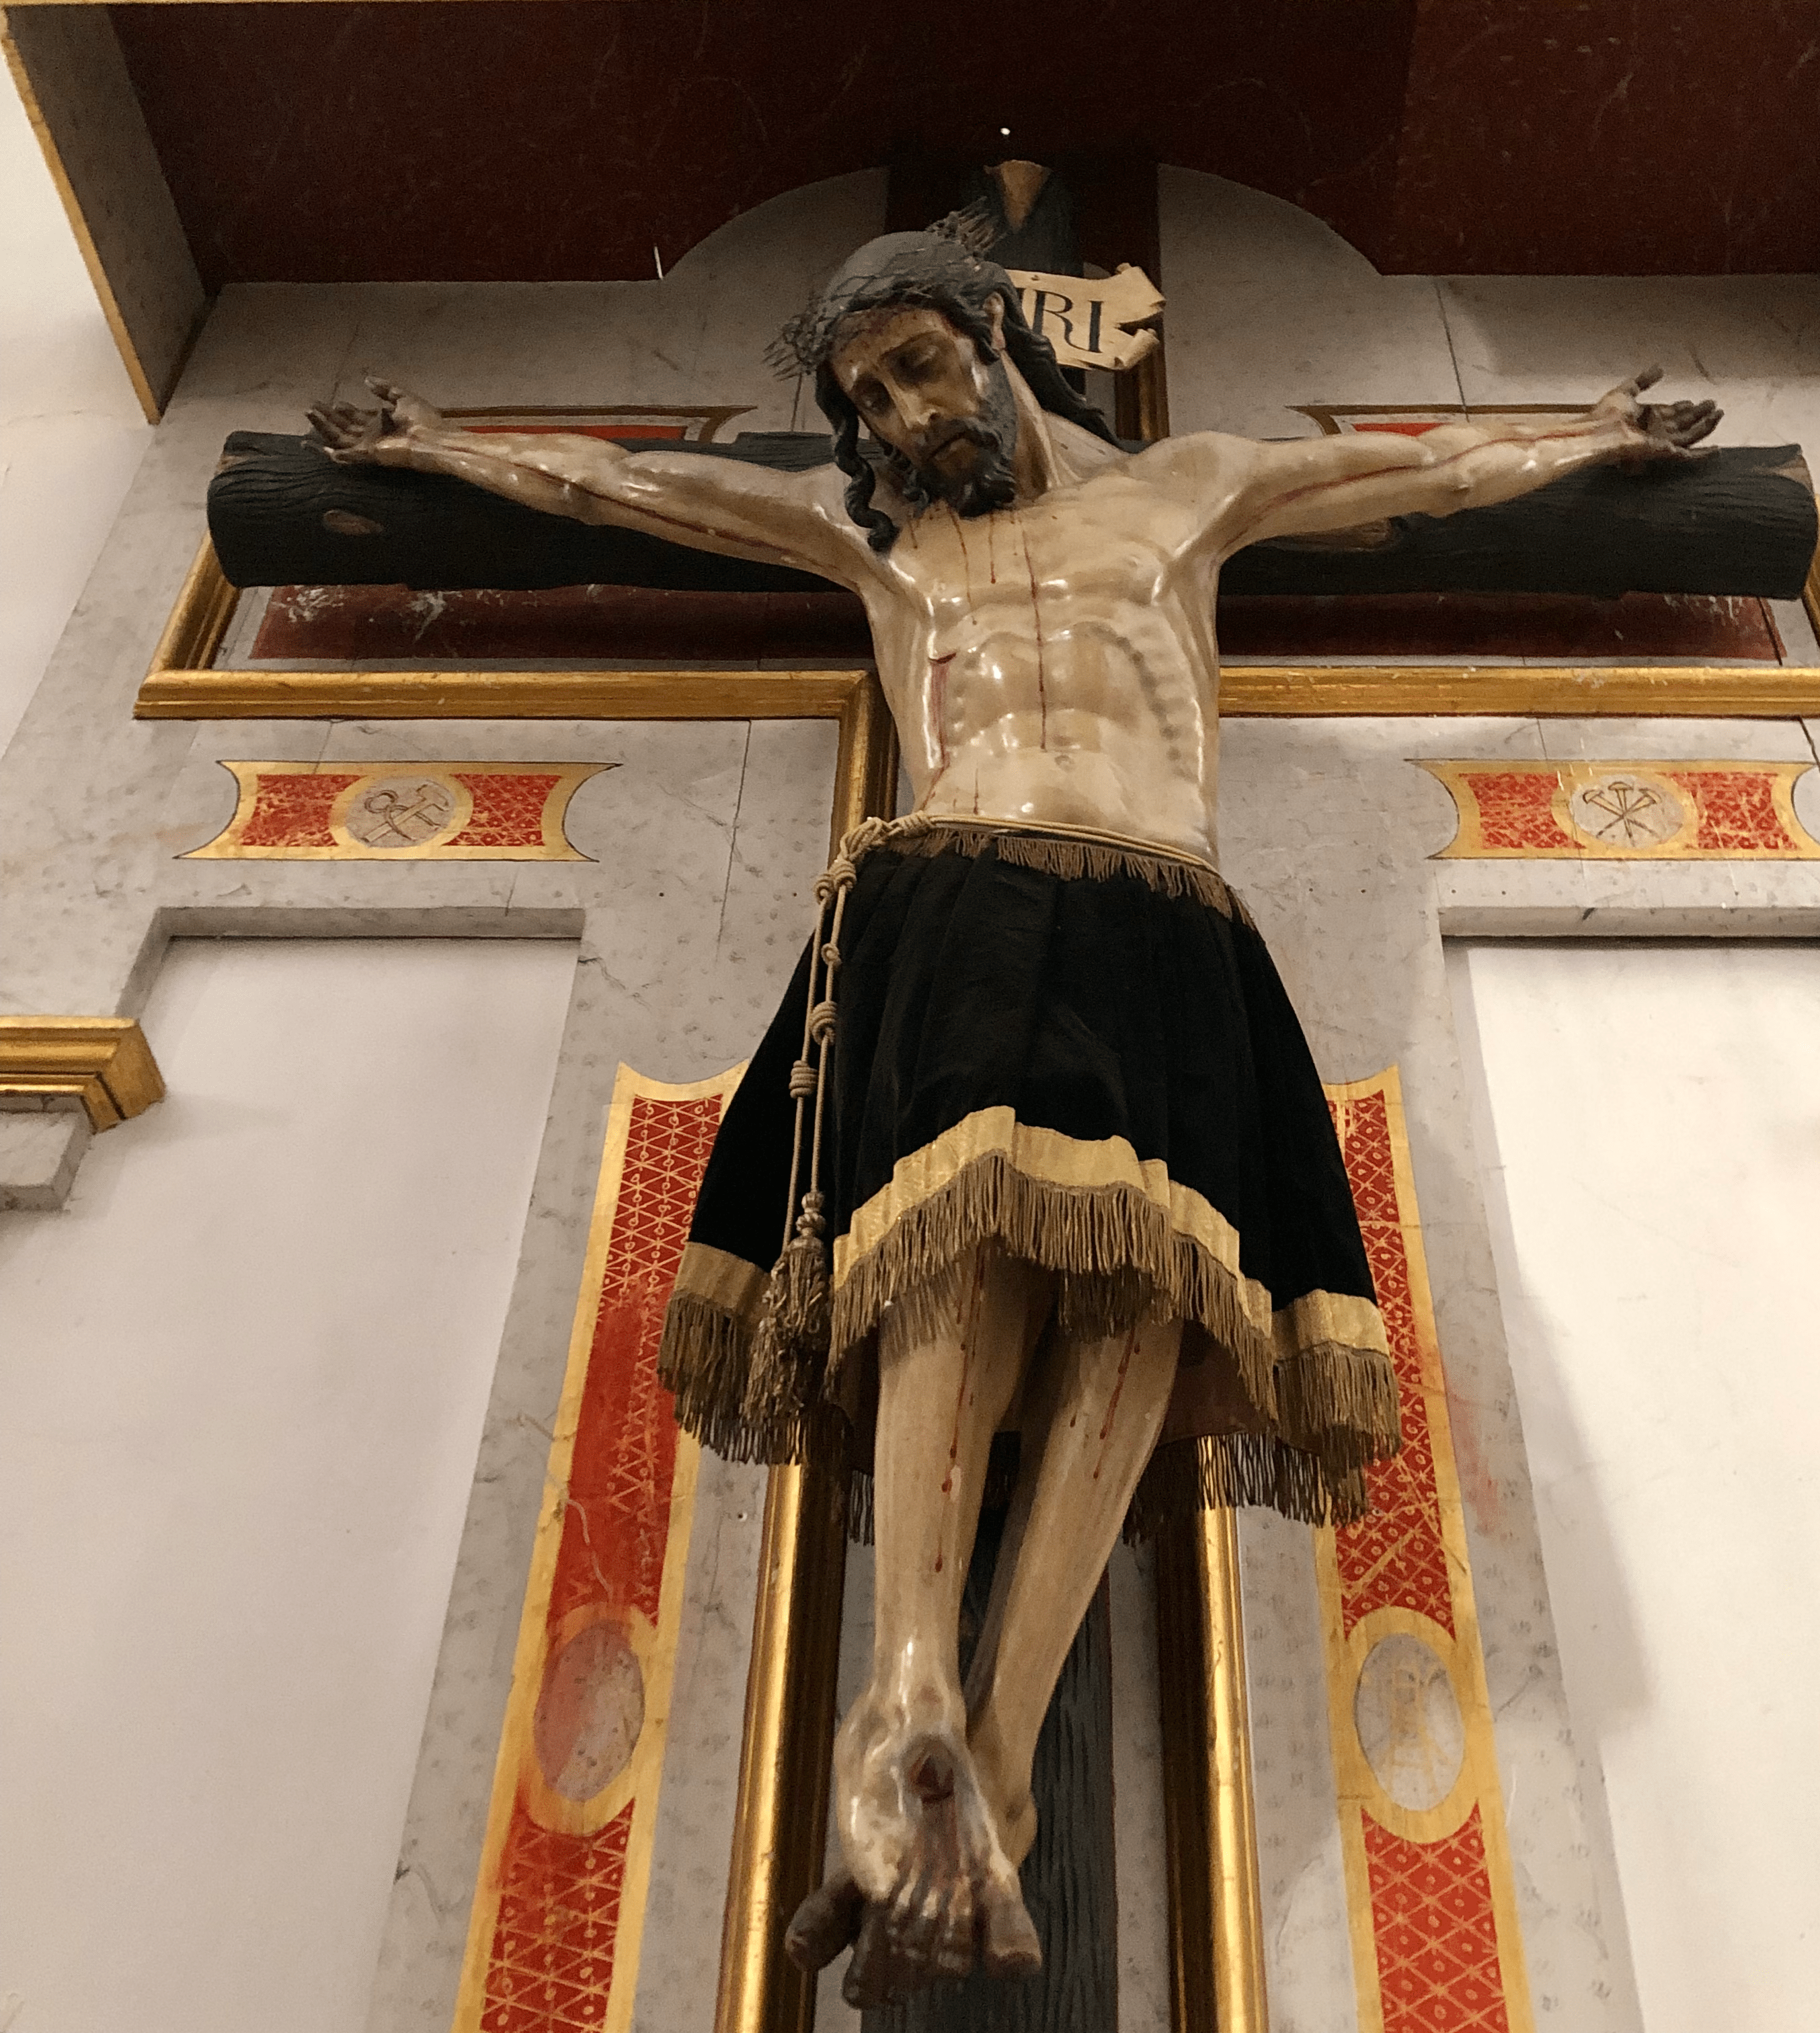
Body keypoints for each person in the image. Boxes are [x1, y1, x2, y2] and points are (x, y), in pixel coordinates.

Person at [310, 214, 1718, 2005]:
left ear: (998, 340)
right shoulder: (884, 548)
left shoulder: (1192, 491)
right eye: (867, 398)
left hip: (1165, 906)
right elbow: (630, 491)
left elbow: (1424, 473)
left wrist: (1595, 433)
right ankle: (904, 1678)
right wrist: (433, 445)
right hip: (959, 887)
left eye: (918, 367)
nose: (901, 416)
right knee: (952, 1250)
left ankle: (989, 1750)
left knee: (1150, 1295)